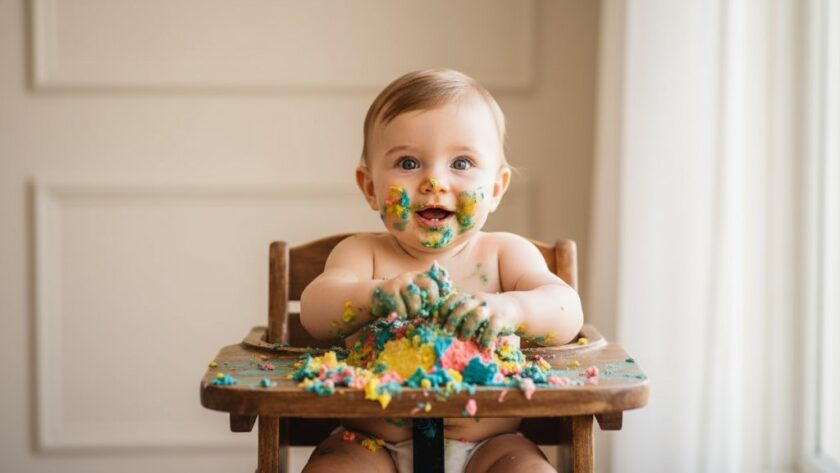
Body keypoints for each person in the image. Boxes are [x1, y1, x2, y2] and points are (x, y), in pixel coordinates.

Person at [300, 69, 583, 473]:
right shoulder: (364, 254)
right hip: (370, 444)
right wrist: (373, 296)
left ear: (497, 188)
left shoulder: (504, 254)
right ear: (370, 188)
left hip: (491, 445)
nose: (434, 181)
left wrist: (513, 310)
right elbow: (314, 311)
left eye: (462, 162)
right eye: (409, 162)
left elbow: (566, 311)